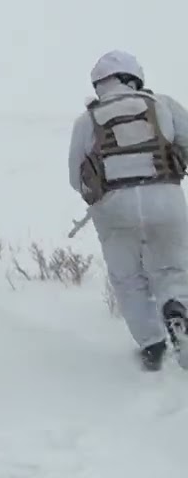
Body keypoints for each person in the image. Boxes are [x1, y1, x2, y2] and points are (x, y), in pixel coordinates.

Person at [69, 49, 188, 370]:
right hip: (166, 199)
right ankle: (178, 312)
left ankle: (152, 346)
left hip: (113, 208)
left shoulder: (86, 120)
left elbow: (75, 176)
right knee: (173, 271)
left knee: (127, 279)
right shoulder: (162, 105)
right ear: (133, 78)